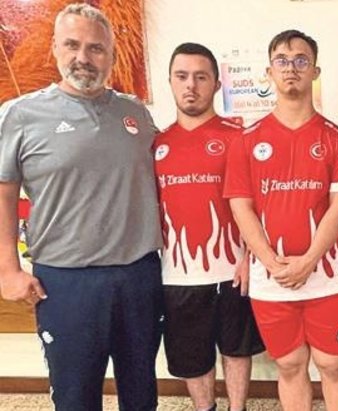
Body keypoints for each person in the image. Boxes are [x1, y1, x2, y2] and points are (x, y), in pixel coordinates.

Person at [0, 3, 163, 410]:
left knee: (142, 396)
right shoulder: (19, 116)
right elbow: (3, 193)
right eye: (72, 45)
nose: (83, 58)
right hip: (66, 281)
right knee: (75, 398)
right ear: (55, 48)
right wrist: (7, 270)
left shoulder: (136, 113)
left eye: (95, 48)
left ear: (111, 55)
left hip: (139, 276)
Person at [224, 29, 338, 410]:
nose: (291, 68)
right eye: (282, 61)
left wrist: (310, 260)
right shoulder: (246, 140)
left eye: (301, 60)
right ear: (269, 73)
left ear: (315, 71)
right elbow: (241, 207)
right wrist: (270, 262)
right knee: (289, 364)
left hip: (327, 277)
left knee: (332, 363)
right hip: (272, 280)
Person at [154, 42, 265, 411]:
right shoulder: (156, 144)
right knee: (193, 357)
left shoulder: (239, 138)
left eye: (201, 77)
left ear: (217, 84)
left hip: (233, 270)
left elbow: (257, 204)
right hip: (177, 275)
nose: (191, 85)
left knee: (236, 350)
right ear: (171, 82)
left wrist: (250, 257)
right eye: (182, 76)